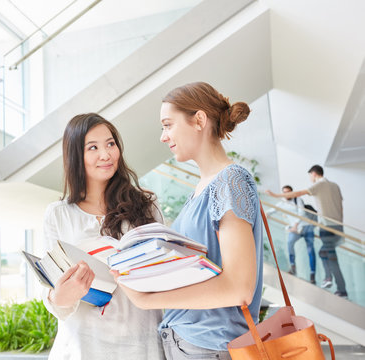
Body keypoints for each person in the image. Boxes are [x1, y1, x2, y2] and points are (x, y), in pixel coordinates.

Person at [113, 82, 263, 360]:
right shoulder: (202, 188)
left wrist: (148, 300)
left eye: (168, 125)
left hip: (210, 346)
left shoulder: (230, 181)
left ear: (199, 120)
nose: (163, 136)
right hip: (189, 343)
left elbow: (239, 288)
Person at [42, 113, 165, 360]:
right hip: (83, 345)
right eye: (93, 147)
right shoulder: (58, 214)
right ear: (76, 156)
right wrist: (60, 296)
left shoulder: (146, 206)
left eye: (111, 144)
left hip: (142, 342)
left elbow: (163, 274)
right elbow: (51, 291)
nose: (106, 154)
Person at [267, 165, 347, 298]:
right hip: (338, 226)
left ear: (314, 174)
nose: (310, 178)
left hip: (326, 227)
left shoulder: (320, 184)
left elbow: (298, 193)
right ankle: (331, 280)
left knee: (330, 257)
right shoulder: (335, 186)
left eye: (310, 176)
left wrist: (275, 195)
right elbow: (341, 207)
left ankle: (340, 288)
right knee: (324, 253)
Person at [266, 185, 316, 283]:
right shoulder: (282, 203)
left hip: (306, 227)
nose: (287, 194)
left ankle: (312, 273)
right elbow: (271, 211)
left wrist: (295, 225)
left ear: (292, 192)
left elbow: (302, 213)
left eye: (288, 192)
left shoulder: (298, 200)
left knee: (310, 250)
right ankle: (293, 267)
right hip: (295, 230)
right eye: (284, 192)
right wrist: (266, 214)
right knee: (290, 243)